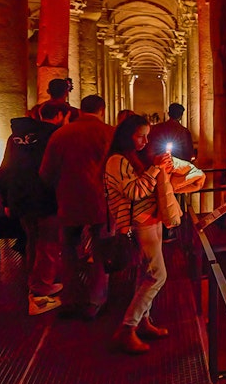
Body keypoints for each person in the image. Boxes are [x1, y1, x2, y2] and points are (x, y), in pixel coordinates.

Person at [39, 94, 115, 320]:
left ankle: (71, 298)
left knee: (69, 251)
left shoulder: (61, 134)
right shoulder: (110, 133)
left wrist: (62, 186)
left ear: (80, 110)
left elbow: (46, 173)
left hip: (69, 200)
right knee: (102, 250)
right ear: (102, 110)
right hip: (102, 201)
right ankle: (95, 300)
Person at [104, 114, 174, 354]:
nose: (145, 141)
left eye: (147, 136)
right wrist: (155, 169)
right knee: (158, 275)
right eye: (140, 136)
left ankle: (143, 320)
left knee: (146, 273)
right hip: (139, 224)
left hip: (150, 220)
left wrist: (159, 168)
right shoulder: (117, 161)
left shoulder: (132, 158)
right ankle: (128, 327)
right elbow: (135, 192)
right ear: (127, 136)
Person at [0, 103, 68, 314]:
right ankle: (40, 296)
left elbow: (6, 169)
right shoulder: (55, 136)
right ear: (60, 115)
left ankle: (35, 283)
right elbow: (58, 171)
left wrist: (6, 200)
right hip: (45, 198)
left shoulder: (16, 137)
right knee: (48, 245)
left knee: (33, 241)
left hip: (20, 198)